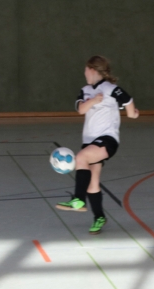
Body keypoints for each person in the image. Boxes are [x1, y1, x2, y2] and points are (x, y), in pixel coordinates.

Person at [55, 56, 140, 235]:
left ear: (92, 70)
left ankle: (78, 199)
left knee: (81, 158)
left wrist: (132, 114)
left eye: (85, 70)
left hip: (107, 139)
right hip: (89, 141)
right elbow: (81, 109)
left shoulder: (110, 88)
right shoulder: (85, 90)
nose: (84, 73)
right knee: (92, 183)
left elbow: (127, 100)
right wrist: (93, 101)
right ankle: (99, 217)